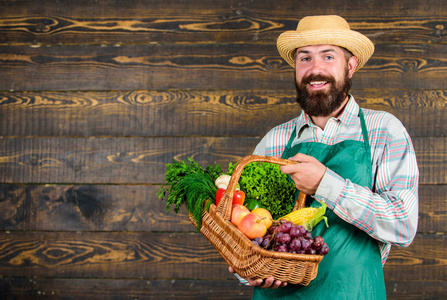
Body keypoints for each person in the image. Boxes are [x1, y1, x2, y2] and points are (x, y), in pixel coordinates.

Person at [229, 15, 419, 299]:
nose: (315, 69)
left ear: (350, 66)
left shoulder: (384, 130)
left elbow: (403, 225)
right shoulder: (275, 140)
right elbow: (245, 228)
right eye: (304, 58)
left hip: (354, 292)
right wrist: (250, 272)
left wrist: (325, 185)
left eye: (328, 56)